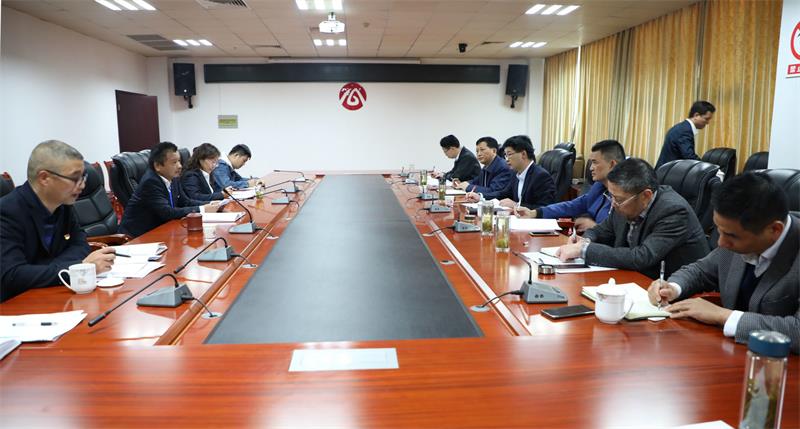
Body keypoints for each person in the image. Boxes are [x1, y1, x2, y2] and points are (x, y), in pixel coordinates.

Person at [648, 173, 799, 353]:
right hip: (730, 352)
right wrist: (672, 288)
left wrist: (722, 316)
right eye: (718, 231)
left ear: (774, 230)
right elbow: (700, 271)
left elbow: (797, 331)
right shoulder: (736, 234)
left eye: (730, 235)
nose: (721, 243)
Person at [0, 140, 116, 302]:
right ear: (44, 178)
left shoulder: (63, 204)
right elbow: (13, 275)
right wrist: (78, 268)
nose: (82, 185)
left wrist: (51, 268)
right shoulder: (7, 212)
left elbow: (80, 244)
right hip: (17, 304)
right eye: (75, 178)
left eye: (83, 177)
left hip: (53, 294)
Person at [556, 157, 709, 279]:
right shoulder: (624, 201)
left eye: (618, 199)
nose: (613, 203)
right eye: (611, 196)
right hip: (631, 279)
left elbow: (641, 257)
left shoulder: (674, 211)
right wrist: (584, 240)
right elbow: (601, 230)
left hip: (667, 289)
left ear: (646, 196)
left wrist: (584, 250)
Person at [516, 139, 625, 232]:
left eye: (595, 162)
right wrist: (535, 212)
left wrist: (595, 228)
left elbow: (621, 239)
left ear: (612, 164)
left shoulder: (625, 198)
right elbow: (573, 205)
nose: (591, 168)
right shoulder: (599, 186)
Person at [119, 142, 220, 238]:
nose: (180, 166)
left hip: (163, 231)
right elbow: (167, 212)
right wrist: (202, 209)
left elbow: (185, 202)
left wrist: (210, 204)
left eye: (179, 161)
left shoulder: (173, 178)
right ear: (157, 166)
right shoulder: (151, 182)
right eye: (174, 162)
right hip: (137, 237)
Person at [468, 135, 556, 209]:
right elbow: (503, 194)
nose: (506, 159)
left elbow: (546, 208)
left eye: (509, 154)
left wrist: (516, 205)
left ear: (523, 154)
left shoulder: (540, 176)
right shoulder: (515, 173)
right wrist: (480, 197)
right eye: (505, 155)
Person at [655, 101, 715, 169]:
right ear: (696, 115)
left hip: (668, 171)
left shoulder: (683, 127)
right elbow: (689, 156)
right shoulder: (684, 131)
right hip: (667, 173)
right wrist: (709, 168)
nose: (707, 123)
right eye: (706, 119)